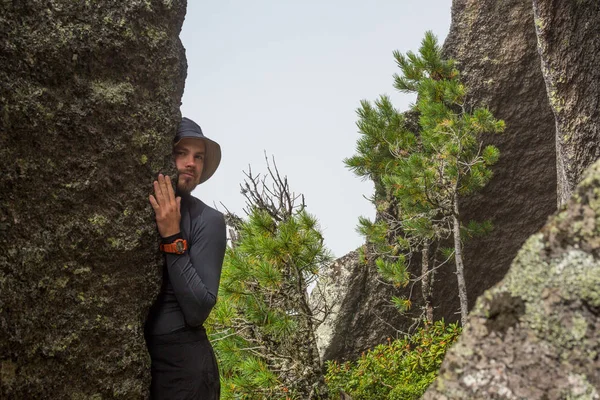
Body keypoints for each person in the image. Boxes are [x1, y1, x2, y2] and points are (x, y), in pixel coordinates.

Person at [144, 117, 227, 399]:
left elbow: (198, 309)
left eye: (198, 156)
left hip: (186, 369)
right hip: (146, 361)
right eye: (182, 153)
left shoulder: (209, 220)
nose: (191, 162)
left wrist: (172, 237)